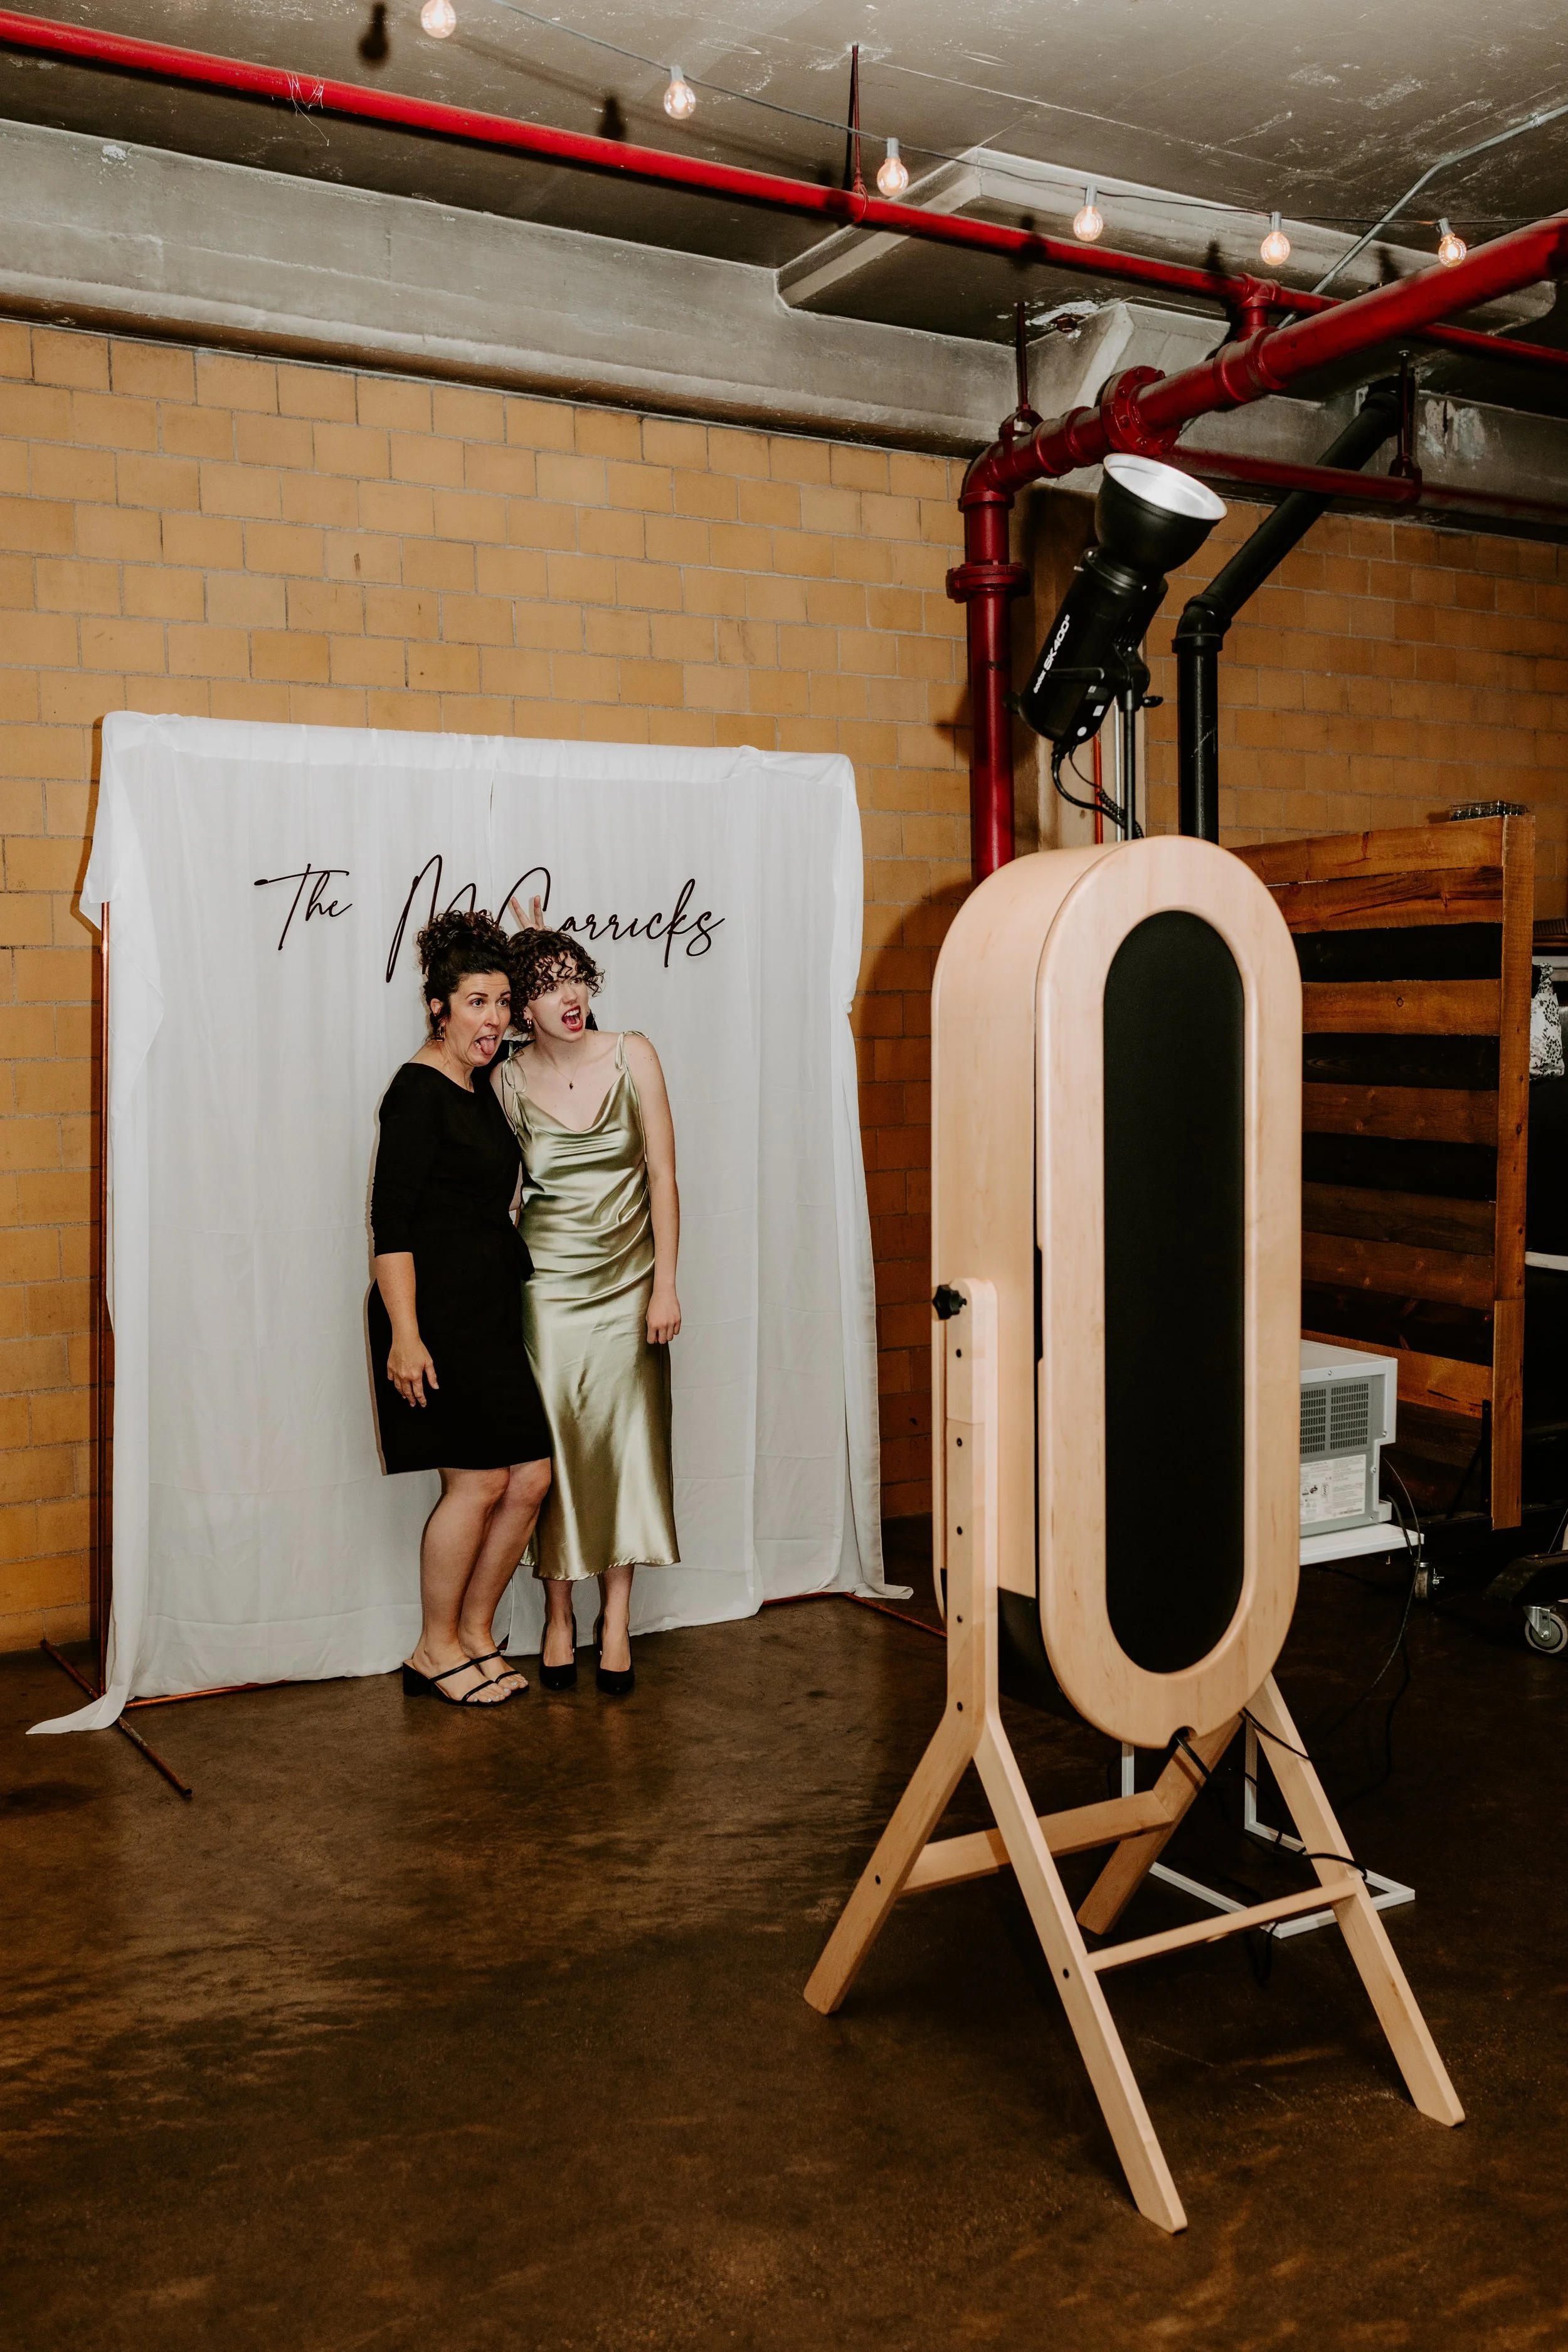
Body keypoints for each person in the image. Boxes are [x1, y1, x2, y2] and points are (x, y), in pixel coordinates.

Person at [369, 910, 553, 1706]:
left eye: (504, 1001)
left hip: (487, 1308)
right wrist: (406, 1336)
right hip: (434, 1316)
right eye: (477, 1001)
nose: (497, 1018)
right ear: (439, 1007)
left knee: (531, 1477)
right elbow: (391, 1225)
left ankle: (475, 1632)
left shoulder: (478, 1084)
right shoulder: (416, 1093)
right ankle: (431, 1646)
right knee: (476, 1483)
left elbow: (572, 1021)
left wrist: (541, 940)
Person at [495, 927, 680, 1695]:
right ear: (521, 1008)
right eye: (547, 985)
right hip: (547, 1296)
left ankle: (617, 1617)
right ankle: (559, 1615)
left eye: (577, 978)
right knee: (558, 1461)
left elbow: (664, 1177)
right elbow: (504, 1202)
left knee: (628, 1448)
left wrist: (666, 1283)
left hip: (632, 1284)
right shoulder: (505, 1081)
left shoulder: (634, 1053)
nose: (570, 996)